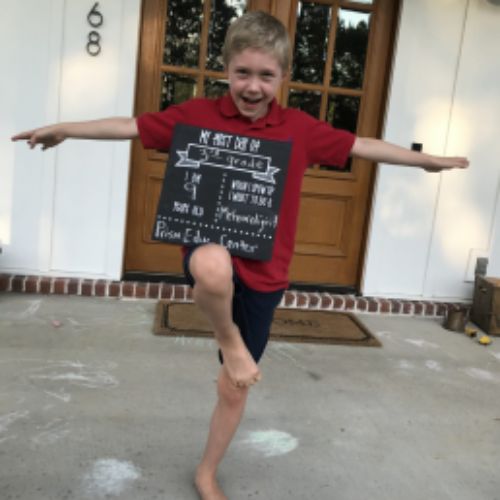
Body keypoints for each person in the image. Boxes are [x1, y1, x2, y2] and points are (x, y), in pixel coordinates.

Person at [12, 11, 469, 500]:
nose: (252, 87)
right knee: (211, 266)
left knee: (235, 387)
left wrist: (426, 160)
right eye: (242, 73)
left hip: (265, 272)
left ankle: (207, 470)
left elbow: (362, 144)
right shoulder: (195, 116)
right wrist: (62, 127)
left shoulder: (299, 129)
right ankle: (229, 341)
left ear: (283, 77)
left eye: (266, 76)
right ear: (225, 69)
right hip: (211, 248)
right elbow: (128, 124)